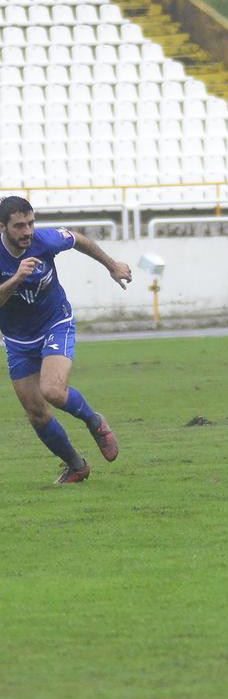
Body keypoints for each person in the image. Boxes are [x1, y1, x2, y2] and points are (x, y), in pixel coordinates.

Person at [0, 196, 132, 484]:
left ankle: (94, 421)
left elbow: (78, 239)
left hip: (55, 323)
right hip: (18, 340)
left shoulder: (44, 241)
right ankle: (76, 466)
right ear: (3, 227)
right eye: (19, 226)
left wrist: (111, 264)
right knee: (36, 413)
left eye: (31, 223)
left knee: (53, 390)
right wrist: (16, 279)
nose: (27, 231)